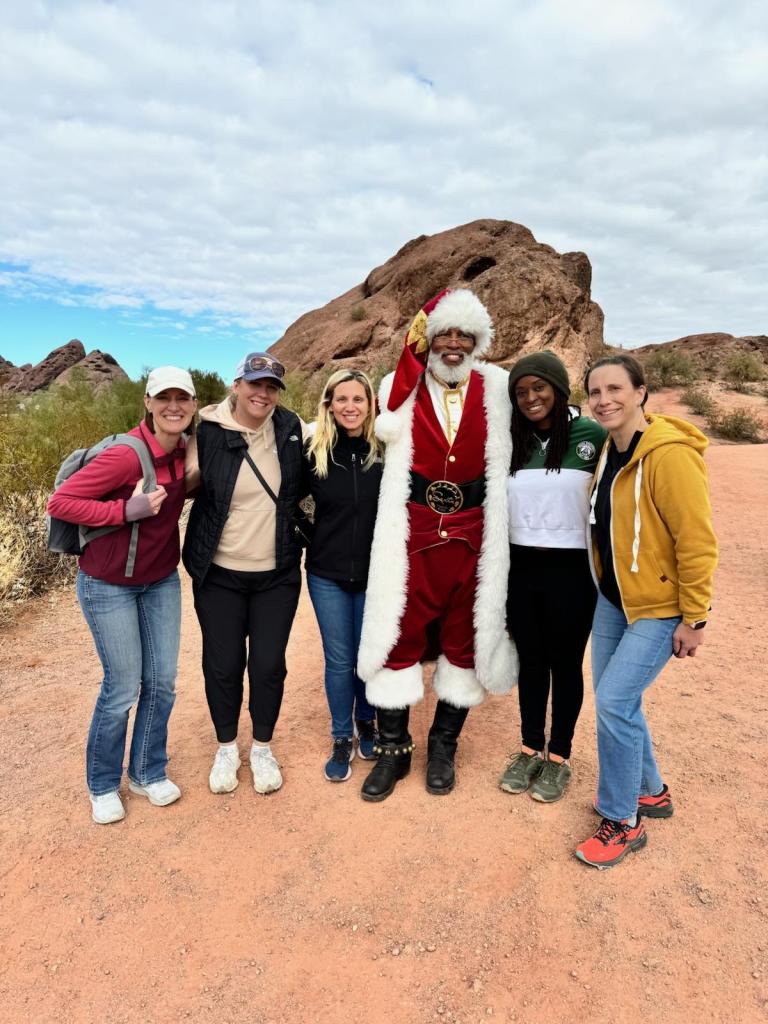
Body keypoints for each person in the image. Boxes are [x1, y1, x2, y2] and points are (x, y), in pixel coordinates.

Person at [357, 288, 517, 801]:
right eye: (445, 333)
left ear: (476, 341)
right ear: (431, 339)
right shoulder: (398, 386)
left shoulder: (497, 386)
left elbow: (544, 419)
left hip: (473, 534)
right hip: (415, 532)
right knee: (399, 634)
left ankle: (443, 747)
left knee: (463, 637)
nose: (453, 343)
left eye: (463, 335)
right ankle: (393, 752)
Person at [575, 353, 717, 869]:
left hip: (660, 606)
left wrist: (695, 618)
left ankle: (622, 821)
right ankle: (650, 791)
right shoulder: (607, 454)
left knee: (613, 701)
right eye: (595, 391)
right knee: (618, 700)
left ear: (640, 392)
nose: (604, 399)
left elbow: (697, 541)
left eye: (615, 388)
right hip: (615, 600)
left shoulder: (668, 455)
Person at [47, 367, 198, 824]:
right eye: (164, 398)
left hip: (160, 581)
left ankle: (148, 772)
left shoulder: (187, 450)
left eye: (183, 399)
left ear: (193, 405)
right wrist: (123, 509)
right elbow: (61, 502)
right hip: (108, 584)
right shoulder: (126, 457)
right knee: (121, 687)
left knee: (163, 682)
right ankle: (102, 783)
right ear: (148, 403)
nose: (174, 406)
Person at [183, 352, 305, 797]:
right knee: (223, 664)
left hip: (277, 573)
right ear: (236, 386)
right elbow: (177, 476)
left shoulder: (290, 429)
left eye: (271, 387)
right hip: (219, 573)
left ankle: (262, 747)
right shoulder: (208, 432)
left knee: (270, 665)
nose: (263, 394)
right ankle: (226, 747)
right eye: (255, 384)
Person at [498, 351, 607, 803]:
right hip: (521, 567)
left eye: (538, 388)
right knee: (531, 661)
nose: (530, 398)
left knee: (565, 664)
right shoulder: (511, 441)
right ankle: (528, 748)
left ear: (559, 390)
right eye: (521, 392)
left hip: (572, 570)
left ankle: (558, 756)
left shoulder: (592, 435)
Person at [303, 369, 383, 782]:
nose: (350, 407)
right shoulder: (316, 452)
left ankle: (366, 723)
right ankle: (341, 735)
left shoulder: (384, 451)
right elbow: (287, 501)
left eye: (358, 399)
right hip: (326, 573)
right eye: (342, 399)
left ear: (370, 404)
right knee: (339, 659)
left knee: (368, 657)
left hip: (375, 574)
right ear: (329, 405)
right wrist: (310, 535)